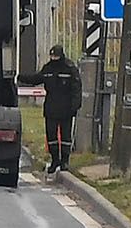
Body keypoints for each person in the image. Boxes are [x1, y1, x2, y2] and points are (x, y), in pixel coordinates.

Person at [18, 43, 83, 176]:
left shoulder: (70, 68)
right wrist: (20, 77)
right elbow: (36, 79)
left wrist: (75, 105)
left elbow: (76, 88)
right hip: (51, 107)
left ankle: (65, 161)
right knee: (51, 136)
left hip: (66, 108)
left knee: (65, 137)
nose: (54, 59)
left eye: (56, 56)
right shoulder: (48, 68)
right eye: (52, 56)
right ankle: (55, 160)